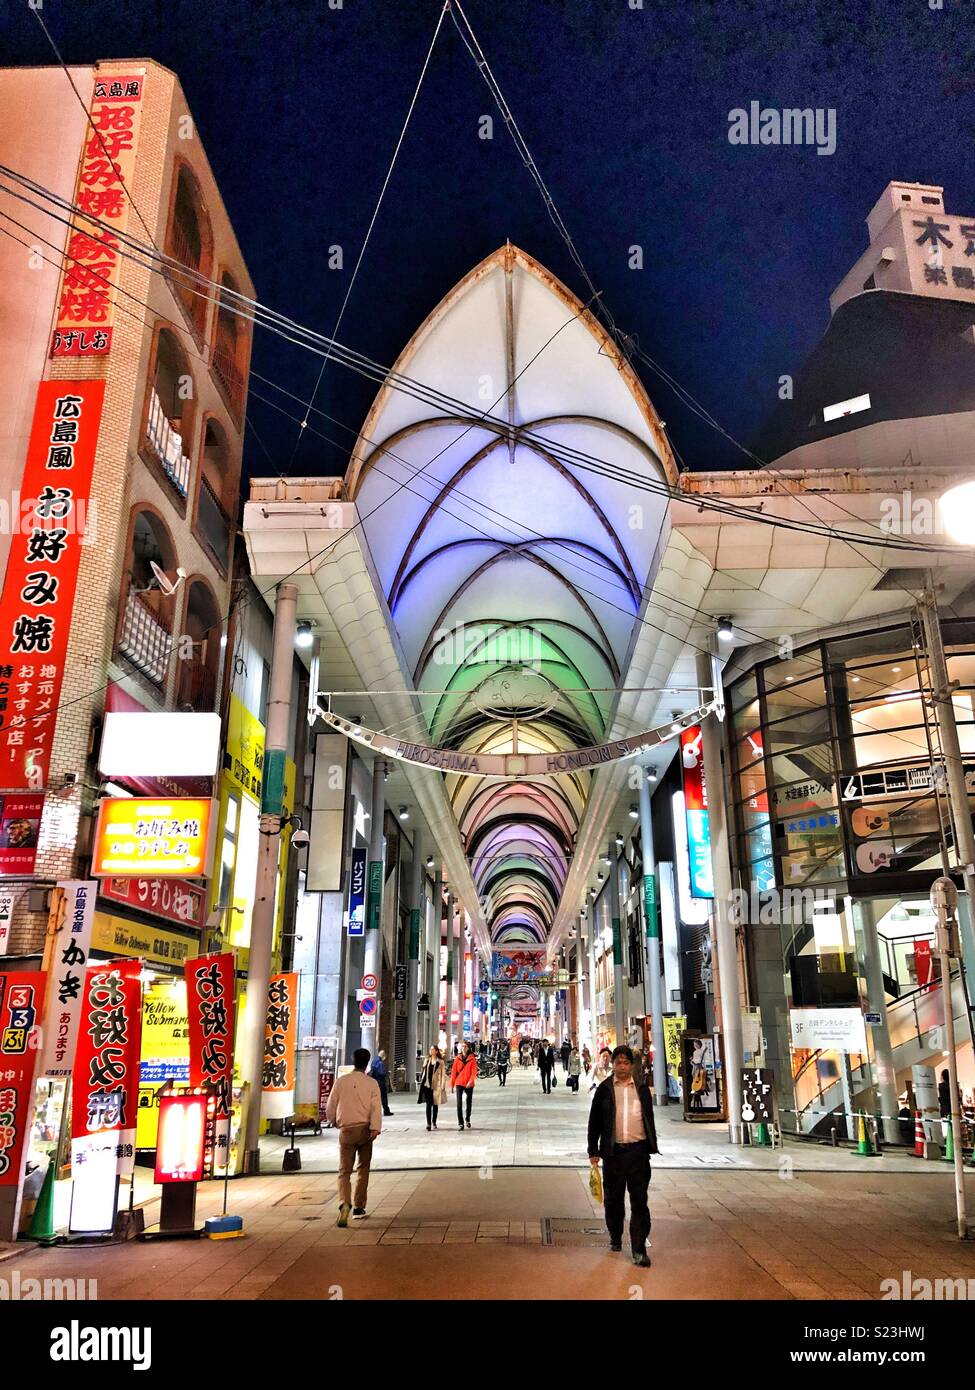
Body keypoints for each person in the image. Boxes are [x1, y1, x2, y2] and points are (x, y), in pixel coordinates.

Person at [587, 1045, 658, 1267]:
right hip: (613, 1152)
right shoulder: (605, 1089)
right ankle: (615, 1236)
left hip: (638, 1152)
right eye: (618, 1062)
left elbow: (649, 1119)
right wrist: (593, 1151)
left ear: (632, 1065)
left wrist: (650, 1145)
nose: (622, 1066)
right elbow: (594, 1122)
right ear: (613, 1064)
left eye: (626, 1063)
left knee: (639, 1201)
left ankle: (638, 1249)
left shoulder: (642, 1089)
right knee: (614, 1199)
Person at [325, 1047, 382, 1226]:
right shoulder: (372, 1083)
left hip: (347, 1130)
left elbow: (331, 1105)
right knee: (363, 1169)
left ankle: (344, 1202)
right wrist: (375, 1128)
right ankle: (359, 1207)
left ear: (353, 1060)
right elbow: (375, 1108)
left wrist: (333, 1120)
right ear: (367, 1062)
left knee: (344, 1171)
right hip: (365, 1130)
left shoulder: (341, 1082)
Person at [417, 1046, 447, 1130]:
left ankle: (434, 1121)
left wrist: (442, 1084)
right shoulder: (427, 1060)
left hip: (436, 1085)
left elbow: (442, 1074)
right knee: (428, 1104)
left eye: (433, 1049)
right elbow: (423, 1071)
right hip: (427, 1085)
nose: (431, 1051)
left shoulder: (440, 1062)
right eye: (430, 1049)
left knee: (435, 1104)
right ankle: (428, 1123)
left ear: (436, 1051)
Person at [450, 1039, 478, 1130]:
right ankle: (460, 1123)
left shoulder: (472, 1059)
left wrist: (471, 1081)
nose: (463, 1048)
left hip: (469, 1084)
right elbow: (454, 1072)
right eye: (462, 1046)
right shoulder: (457, 1059)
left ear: (468, 1048)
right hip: (459, 1082)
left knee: (468, 1102)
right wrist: (452, 1084)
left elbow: (474, 1072)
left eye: (465, 1046)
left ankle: (467, 1119)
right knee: (459, 1104)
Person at [368, 1049, 393, 1116]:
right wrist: (386, 1074)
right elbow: (381, 1073)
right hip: (380, 1082)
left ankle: (371, 1110)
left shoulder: (374, 1061)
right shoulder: (380, 1062)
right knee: (384, 1096)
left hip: (374, 1081)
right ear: (383, 1056)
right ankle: (386, 1111)